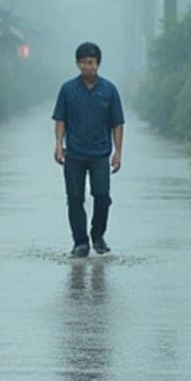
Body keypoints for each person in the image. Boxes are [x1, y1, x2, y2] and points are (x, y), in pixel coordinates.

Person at [52, 42, 124, 257]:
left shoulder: (109, 90)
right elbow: (60, 119)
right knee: (74, 198)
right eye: (83, 62)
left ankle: (98, 235)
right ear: (77, 63)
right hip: (74, 153)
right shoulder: (68, 89)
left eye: (91, 62)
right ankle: (80, 242)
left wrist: (118, 152)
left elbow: (117, 124)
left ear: (98, 63)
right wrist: (58, 144)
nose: (87, 67)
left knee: (102, 197)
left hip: (100, 154)